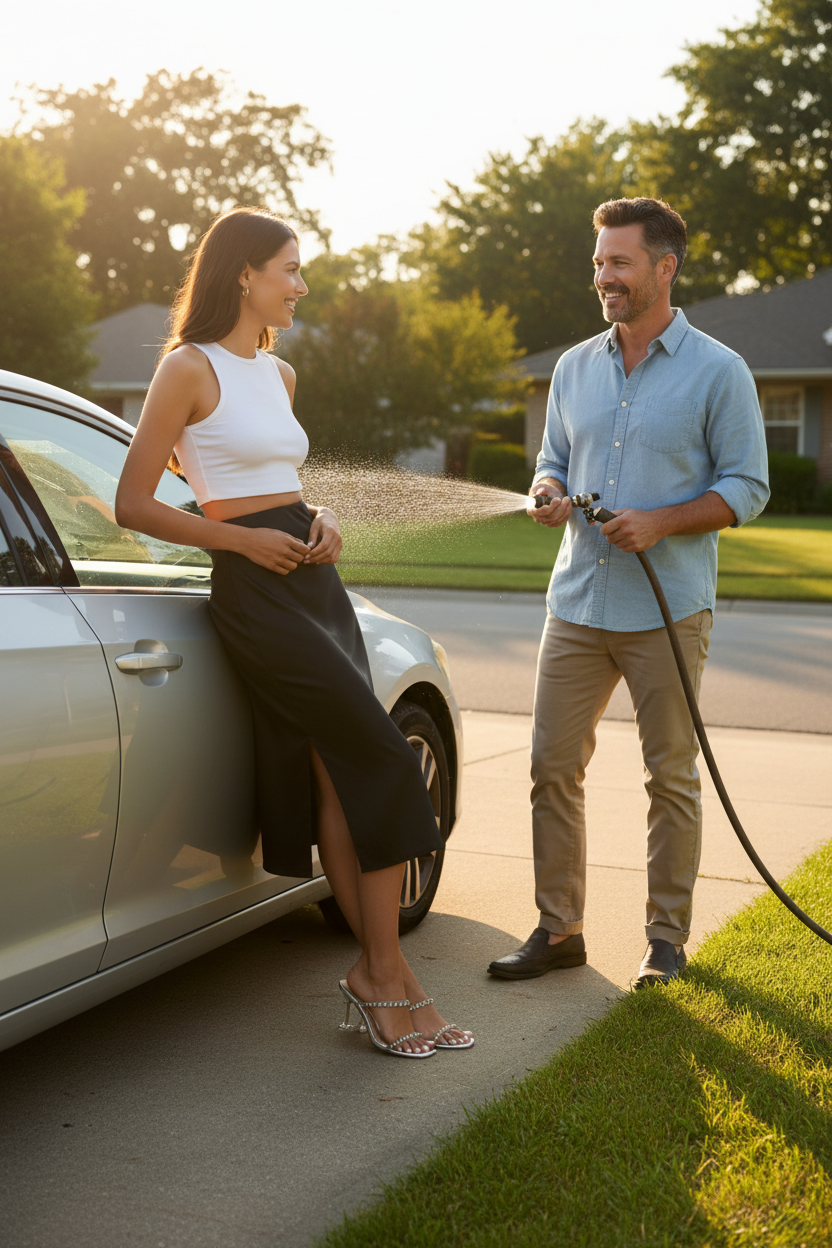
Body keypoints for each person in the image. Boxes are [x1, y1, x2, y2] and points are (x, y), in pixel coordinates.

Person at [115, 207, 473, 1056]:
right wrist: (241, 541)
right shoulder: (187, 367)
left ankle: (385, 974)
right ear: (244, 273)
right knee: (383, 757)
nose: (302, 285)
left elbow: (277, 481)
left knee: (342, 778)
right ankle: (383, 976)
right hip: (255, 593)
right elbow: (134, 503)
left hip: (316, 583)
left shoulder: (279, 374)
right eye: (290, 269)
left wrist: (324, 514)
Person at [487, 197, 769, 988]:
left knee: (669, 778)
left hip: (667, 609)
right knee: (550, 768)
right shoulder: (574, 367)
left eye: (619, 263)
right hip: (576, 603)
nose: (604, 277)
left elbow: (748, 487)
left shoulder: (719, 370)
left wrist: (662, 522)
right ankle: (559, 930)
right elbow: (551, 459)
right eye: (599, 263)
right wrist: (547, 491)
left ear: (664, 267)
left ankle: (665, 942)